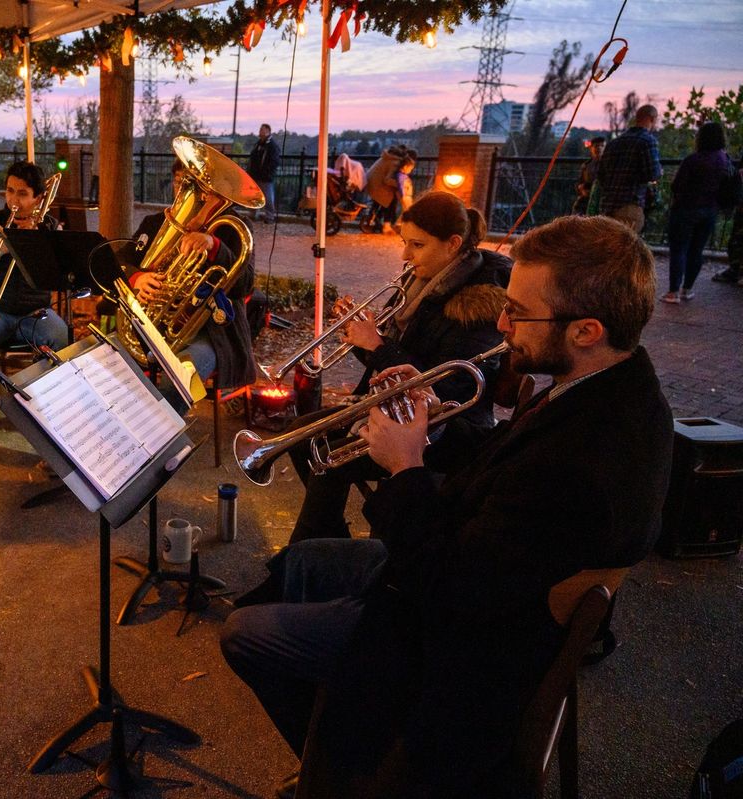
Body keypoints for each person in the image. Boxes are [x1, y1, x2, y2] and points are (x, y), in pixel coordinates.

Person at [220, 214, 673, 798]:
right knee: (302, 563)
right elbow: (500, 464)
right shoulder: (602, 389)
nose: (503, 325)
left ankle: (356, 770)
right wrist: (432, 418)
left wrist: (406, 468)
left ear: (586, 330)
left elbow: (449, 593)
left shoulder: (589, 460)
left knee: (244, 633)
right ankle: (334, 747)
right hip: (469, 568)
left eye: (519, 312)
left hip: (465, 647)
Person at [284, 191, 508, 544]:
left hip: (445, 428)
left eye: (417, 245)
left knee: (326, 459)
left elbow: (447, 388)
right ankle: (326, 543)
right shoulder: (416, 282)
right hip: (393, 405)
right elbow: (387, 363)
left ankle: (305, 553)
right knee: (299, 435)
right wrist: (359, 336)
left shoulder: (479, 305)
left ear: (452, 244)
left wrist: (377, 345)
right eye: (405, 243)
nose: (405, 255)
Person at [123, 158, 257, 398]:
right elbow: (121, 263)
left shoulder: (234, 227)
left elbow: (246, 285)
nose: (193, 194)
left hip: (212, 334)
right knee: (106, 360)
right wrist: (137, 279)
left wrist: (214, 246)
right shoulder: (154, 223)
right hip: (155, 326)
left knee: (179, 379)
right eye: (180, 183)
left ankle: (161, 431)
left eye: (202, 188)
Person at [0, 160, 69, 439]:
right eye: (9, 191)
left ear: (38, 198)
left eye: (22, 194)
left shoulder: (51, 229)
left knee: (62, 339)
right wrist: (2, 247)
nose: (13, 200)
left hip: (34, 312)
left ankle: (52, 411)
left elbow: (62, 277)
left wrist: (38, 246)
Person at [662, 121, 734, 304]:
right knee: (697, 250)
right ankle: (687, 289)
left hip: (686, 209)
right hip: (710, 210)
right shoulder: (724, 160)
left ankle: (673, 292)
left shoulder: (693, 160)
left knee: (679, 249)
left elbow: (677, 185)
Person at [596, 104, 662, 233]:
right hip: (630, 204)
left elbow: (601, 174)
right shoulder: (648, 141)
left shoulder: (614, 143)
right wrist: (660, 170)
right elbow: (653, 173)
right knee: (626, 246)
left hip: (608, 204)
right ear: (652, 119)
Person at [247, 124, 280, 224]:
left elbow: (274, 161)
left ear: (268, 131)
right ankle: (253, 214)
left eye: (262, 130)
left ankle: (270, 216)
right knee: (254, 197)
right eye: (260, 129)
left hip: (265, 177)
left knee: (268, 197)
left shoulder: (272, 145)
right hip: (255, 175)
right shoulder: (258, 144)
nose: (260, 131)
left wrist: (267, 172)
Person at [572, 136, 605, 215]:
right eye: (596, 146)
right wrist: (582, 189)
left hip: (601, 199)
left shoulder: (608, 165)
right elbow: (579, 183)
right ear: (591, 148)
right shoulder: (586, 165)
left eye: (602, 146)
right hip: (586, 198)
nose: (599, 148)